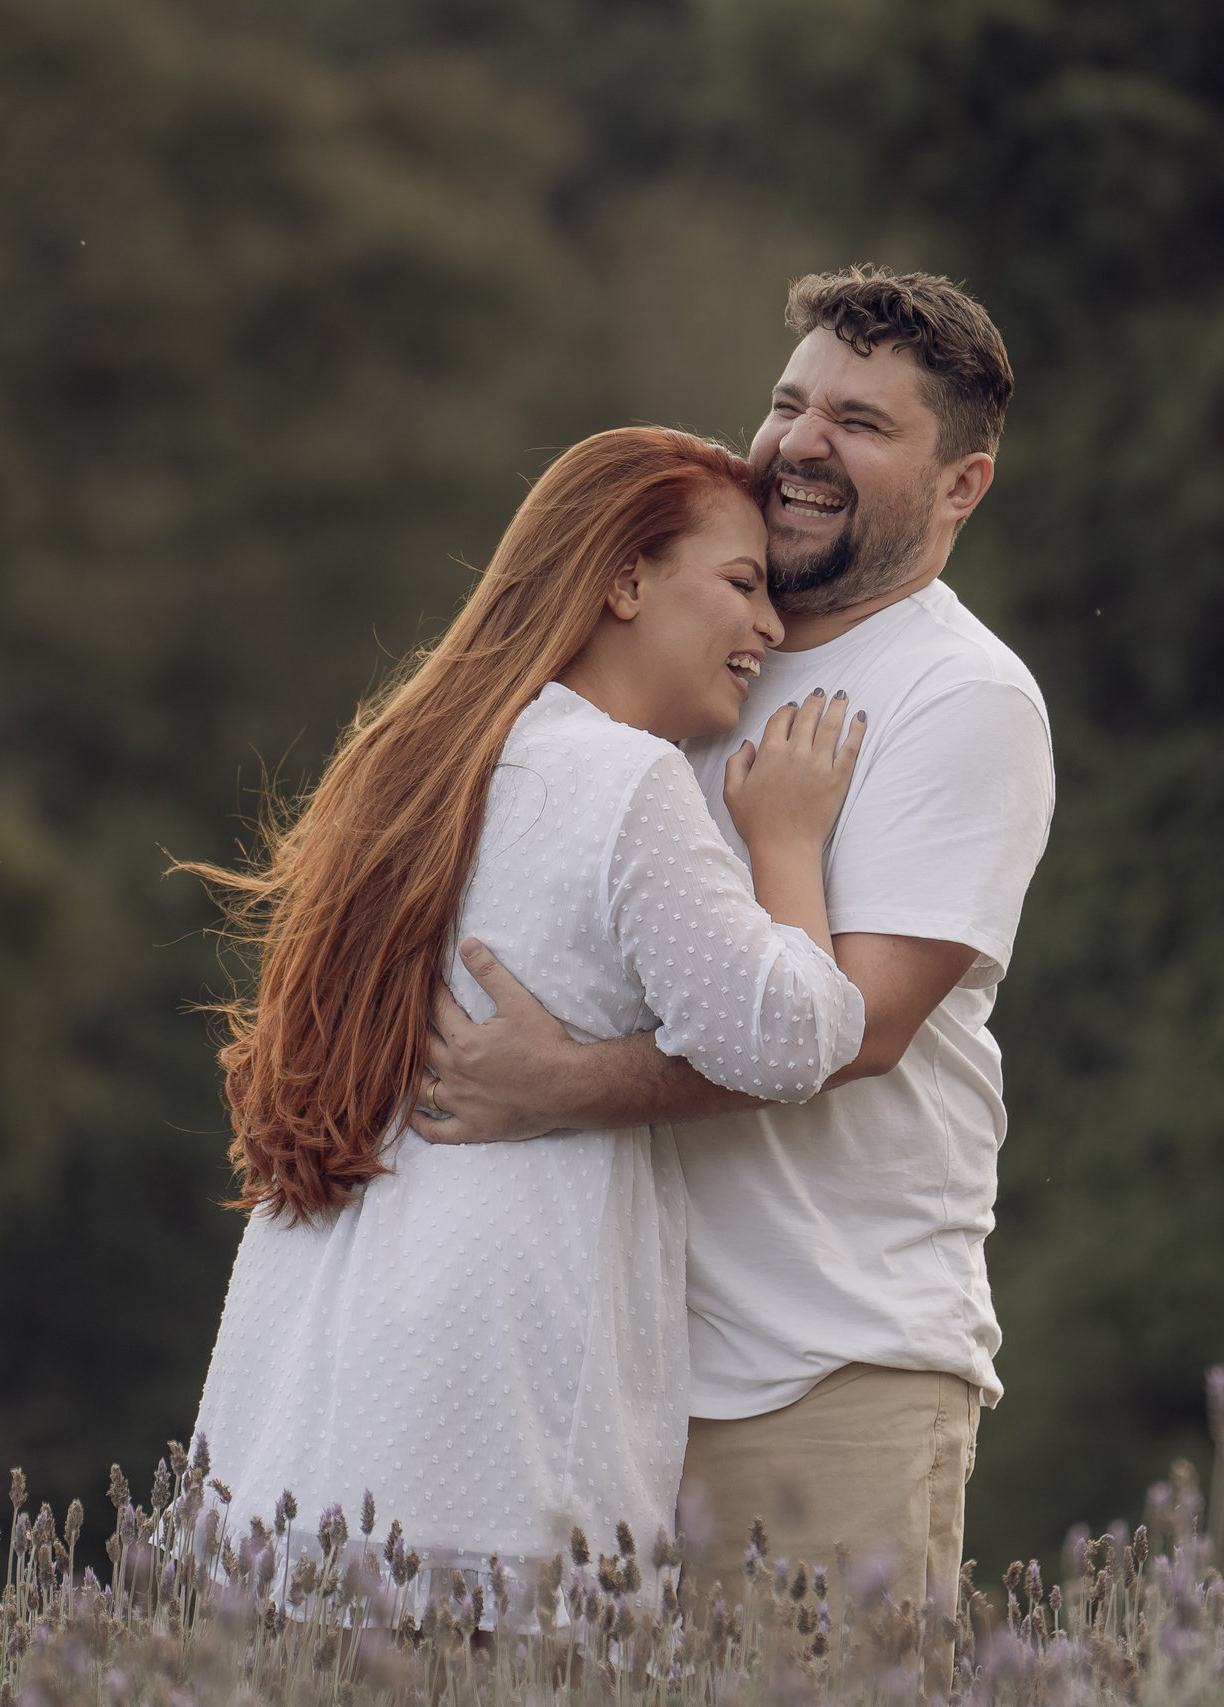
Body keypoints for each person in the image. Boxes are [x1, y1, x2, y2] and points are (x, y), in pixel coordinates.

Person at [420, 268, 1053, 1625]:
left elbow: (857, 1028)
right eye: (790, 402)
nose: (802, 443)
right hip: (600, 1359)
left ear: (962, 484)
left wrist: (555, 1086)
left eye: (861, 423)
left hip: (818, 1362)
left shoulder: (961, 697)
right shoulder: (687, 642)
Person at [185, 427, 871, 1605]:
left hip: (314, 1376)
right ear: (624, 580)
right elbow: (787, 1038)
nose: (770, 625)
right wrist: (787, 842)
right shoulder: (623, 778)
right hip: (490, 1381)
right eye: (742, 583)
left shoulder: (418, 764)